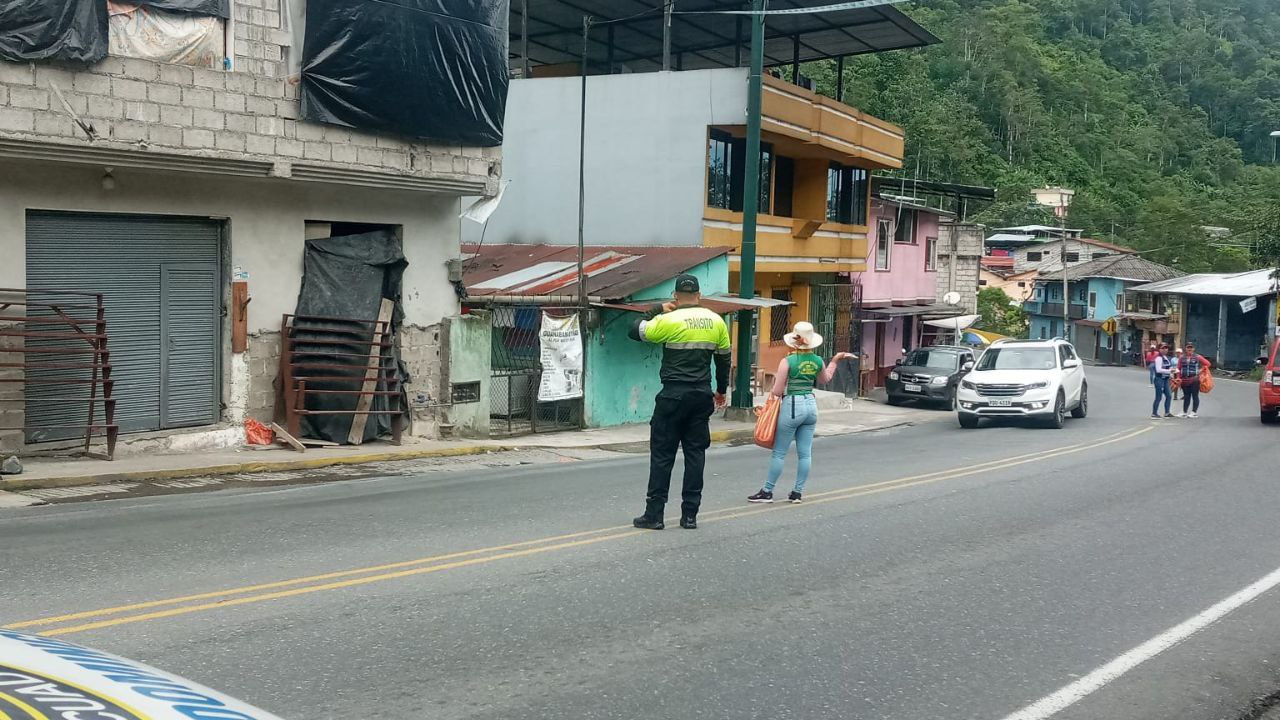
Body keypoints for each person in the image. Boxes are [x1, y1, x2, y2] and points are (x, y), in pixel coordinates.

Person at [628, 274, 731, 531]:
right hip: (701, 396)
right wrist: (720, 390)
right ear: (699, 295)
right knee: (695, 454)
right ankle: (690, 516)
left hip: (672, 396)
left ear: (675, 296)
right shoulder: (717, 321)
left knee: (662, 455)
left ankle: (655, 514)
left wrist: (656, 309)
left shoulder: (667, 320)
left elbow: (634, 329)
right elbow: (724, 360)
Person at [746, 323, 853, 505]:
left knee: (779, 453)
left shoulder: (788, 361)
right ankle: (797, 493)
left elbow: (778, 391)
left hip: (793, 405)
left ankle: (768, 491)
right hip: (811, 406)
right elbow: (825, 379)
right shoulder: (818, 360)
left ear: (794, 342)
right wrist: (835, 360)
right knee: (805, 454)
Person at [1175, 341, 1211, 418]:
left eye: (1191, 348)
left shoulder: (1198, 357)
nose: (1189, 349)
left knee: (1195, 396)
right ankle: (1184, 412)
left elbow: (1207, 364)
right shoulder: (1181, 357)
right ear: (1185, 348)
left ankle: (1194, 412)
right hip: (1184, 380)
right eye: (1188, 347)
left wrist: (1200, 371)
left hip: (1194, 379)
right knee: (1186, 396)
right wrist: (1178, 377)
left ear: (1193, 349)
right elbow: (1178, 368)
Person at [1151, 345, 1175, 419]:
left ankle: (1167, 412)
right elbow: (1158, 370)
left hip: (1165, 379)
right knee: (1158, 397)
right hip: (1159, 379)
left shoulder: (1166, 358)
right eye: (1163, 348)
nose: (1165, 350)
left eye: (1166, 348)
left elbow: (1169, 367)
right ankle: (1154, 413)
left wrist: (1171, 374)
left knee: (1169, 395)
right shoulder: (1158, 358)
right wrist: (1169, 371)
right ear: (1159, 349)